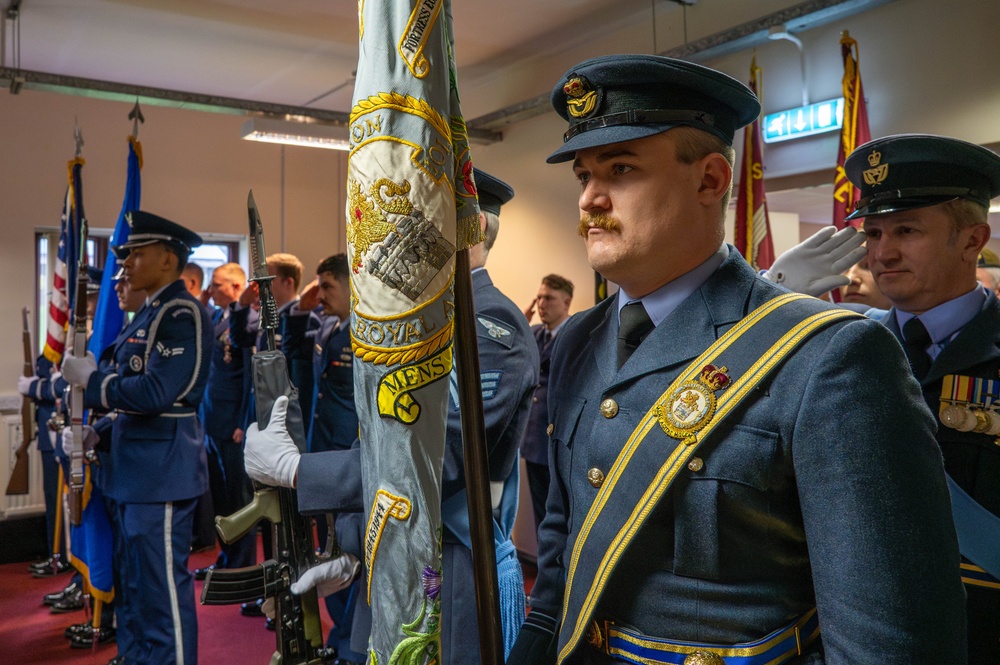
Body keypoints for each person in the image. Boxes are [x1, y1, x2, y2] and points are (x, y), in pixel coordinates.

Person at [507, 54, 966, 665]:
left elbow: (888, 643)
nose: (590, 198)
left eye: (620, 169)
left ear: (711, 180)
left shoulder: (829, 356)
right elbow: (563, 566)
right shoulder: (576, 341)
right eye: (583, 175)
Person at [243, 169, 541, 664]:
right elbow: (381, 437)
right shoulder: (420, 323)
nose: (402, 236)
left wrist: (300, 471)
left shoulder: (490, 325)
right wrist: (353, 544)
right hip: (388, 555)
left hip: (449, 566)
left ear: (474, 230)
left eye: (424, 221)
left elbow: (435, 459)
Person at [841, 133, 1000, 664]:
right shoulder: (838, 351)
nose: (882, 253)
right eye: (874, 232)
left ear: (972, 239)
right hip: (859, 628)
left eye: (907, 230)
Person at [61, 210, 213, 665]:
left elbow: (158, 393)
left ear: (168, 259)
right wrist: (98, 433)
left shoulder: (180, 312)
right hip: (130, 473)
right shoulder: (146, 313)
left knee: (162, 594)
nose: (123, 265)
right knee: (134, 590)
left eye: (135, 254)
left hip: (160, 475)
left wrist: (94, 384)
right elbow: (133, 401)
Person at [193, 262, 256, 580]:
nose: (210, 290)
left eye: (217, 285)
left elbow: (249, 378)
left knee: (238, 498)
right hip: (212, 420)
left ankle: (242, 564)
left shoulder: (248, 323)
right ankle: (226, 558)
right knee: (220, 497)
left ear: (235, 287)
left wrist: (243, 422)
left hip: (233, 424)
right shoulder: (217, 317)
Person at [521, 274, 573, 532]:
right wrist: (521, 322)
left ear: (566, 302)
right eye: (539, 297)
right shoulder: (534, 333)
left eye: (549, 298)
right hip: (533, 441)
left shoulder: (575, 336)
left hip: (559, 441)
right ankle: (544, 570)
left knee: (560, 518)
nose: (542, 303)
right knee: (540, 515)